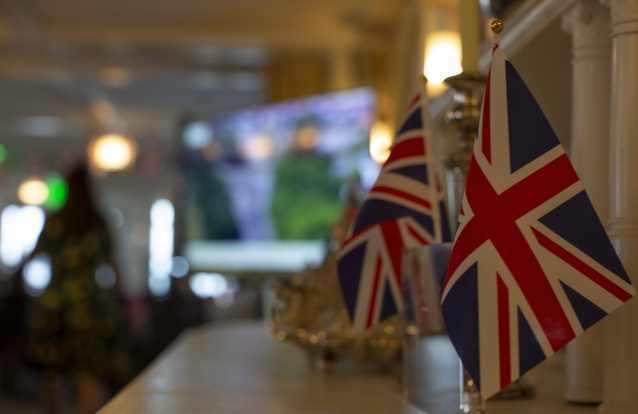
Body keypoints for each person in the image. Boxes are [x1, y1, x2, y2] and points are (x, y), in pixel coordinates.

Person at [23, 162, 132, 414]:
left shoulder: (55, 222)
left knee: (52, 376)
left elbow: (32, 258)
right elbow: (114, 267)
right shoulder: (97, 222)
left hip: (55, 303)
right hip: (89, 306)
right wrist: (124, 302)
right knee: (88, 375)